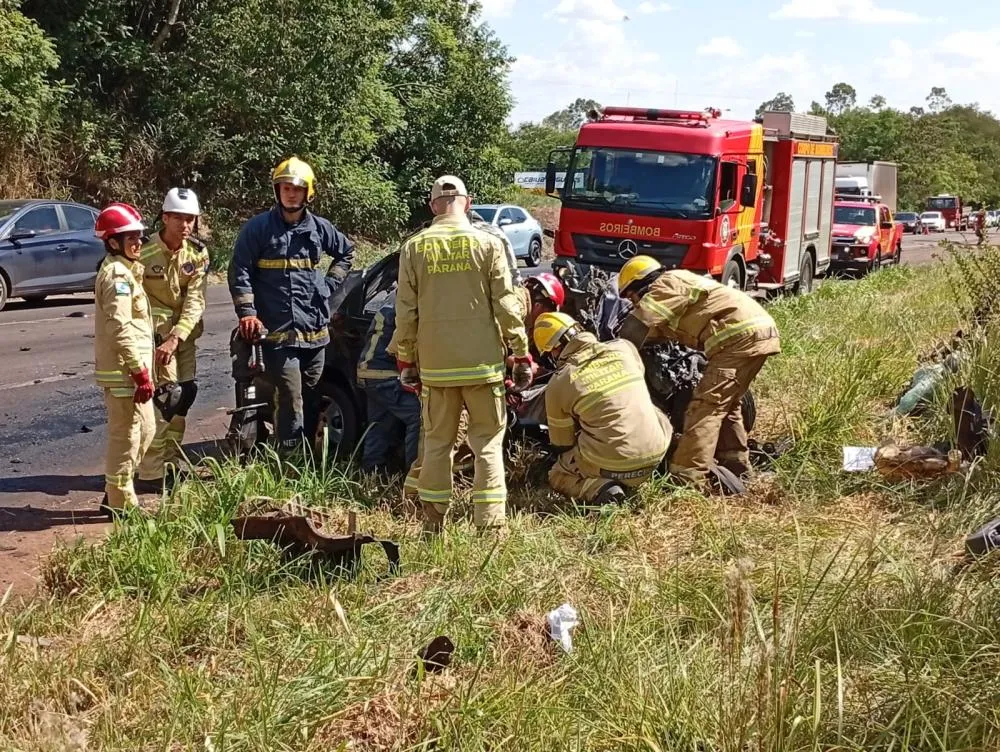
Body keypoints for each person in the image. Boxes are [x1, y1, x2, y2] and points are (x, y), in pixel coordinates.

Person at [390, 175, 531, 532]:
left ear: (433, 205)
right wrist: (520, 352)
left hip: (437, 369)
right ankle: (491, 525)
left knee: (437, 443)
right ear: (468, 204)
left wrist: (406, 359)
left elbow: (405, 312)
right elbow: (506, 305)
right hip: (483, 366)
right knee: (486, 443)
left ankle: (433, 523)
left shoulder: (414, 247)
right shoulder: (489, 244)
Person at [616, 255, 780, 489]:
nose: (634, 303)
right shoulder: (679, 285)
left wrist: (614, 349)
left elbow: (638, 324)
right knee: (727, 405)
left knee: (704, 408)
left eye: (632, 297)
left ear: (643, 284)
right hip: (755, 333)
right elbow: (657, 332)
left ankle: (686, 480)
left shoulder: (666, 284)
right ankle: (736, 466)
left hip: (737, 338)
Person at [228, 157, 354, 454]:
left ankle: (305, 451)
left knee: (311, 393)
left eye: (297, 189)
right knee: (290, 393)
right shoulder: (258, 229)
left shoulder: (320, 229)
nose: (291, 194)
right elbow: (240, 271)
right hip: (277, 334)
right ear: (277, 191)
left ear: (308, 192)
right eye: (285, 188)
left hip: (314, 333)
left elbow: (346, 253)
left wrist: (328, 284)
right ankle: (289, 459)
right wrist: (248, 314)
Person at [533, 312, 671, 505]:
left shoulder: (560, 381)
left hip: (616, 465)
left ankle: (599, 489)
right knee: (647, 407)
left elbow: (562, 443)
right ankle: (663, 461)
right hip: (657, 452)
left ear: (555, 350)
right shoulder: (624, 347)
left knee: (557, 474)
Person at [134, 188, 208, 492]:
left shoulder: (197, 253)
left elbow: (195, 300)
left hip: (182, 336)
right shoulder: (143, 252)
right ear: (165, 217)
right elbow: (135, 300)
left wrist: (177, 337)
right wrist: (159, 336)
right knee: (165, 400)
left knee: (184, 397)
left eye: (190, 218)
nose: (185, 224)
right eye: (178, 217)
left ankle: (171, 463)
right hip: (154, 338)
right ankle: (150, 473)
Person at [93, 203, 156, 514]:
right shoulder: (117, 275)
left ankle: (115, 490)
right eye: (129, 238)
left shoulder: (129, 272)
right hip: (124, 374)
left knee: (147, 431)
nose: (137, 243)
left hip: (134, 371)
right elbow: (119, 327)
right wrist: (138, 371)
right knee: (126, 437)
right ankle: (120, 505)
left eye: (139, 237)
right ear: (112, 242)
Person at [358, 286, 421, 475]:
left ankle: (370, 474)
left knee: (379, 424)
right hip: (386, 375)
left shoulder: (386, 306)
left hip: (368, 373)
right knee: (418, 417)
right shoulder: (406, 314)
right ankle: (414, 473)